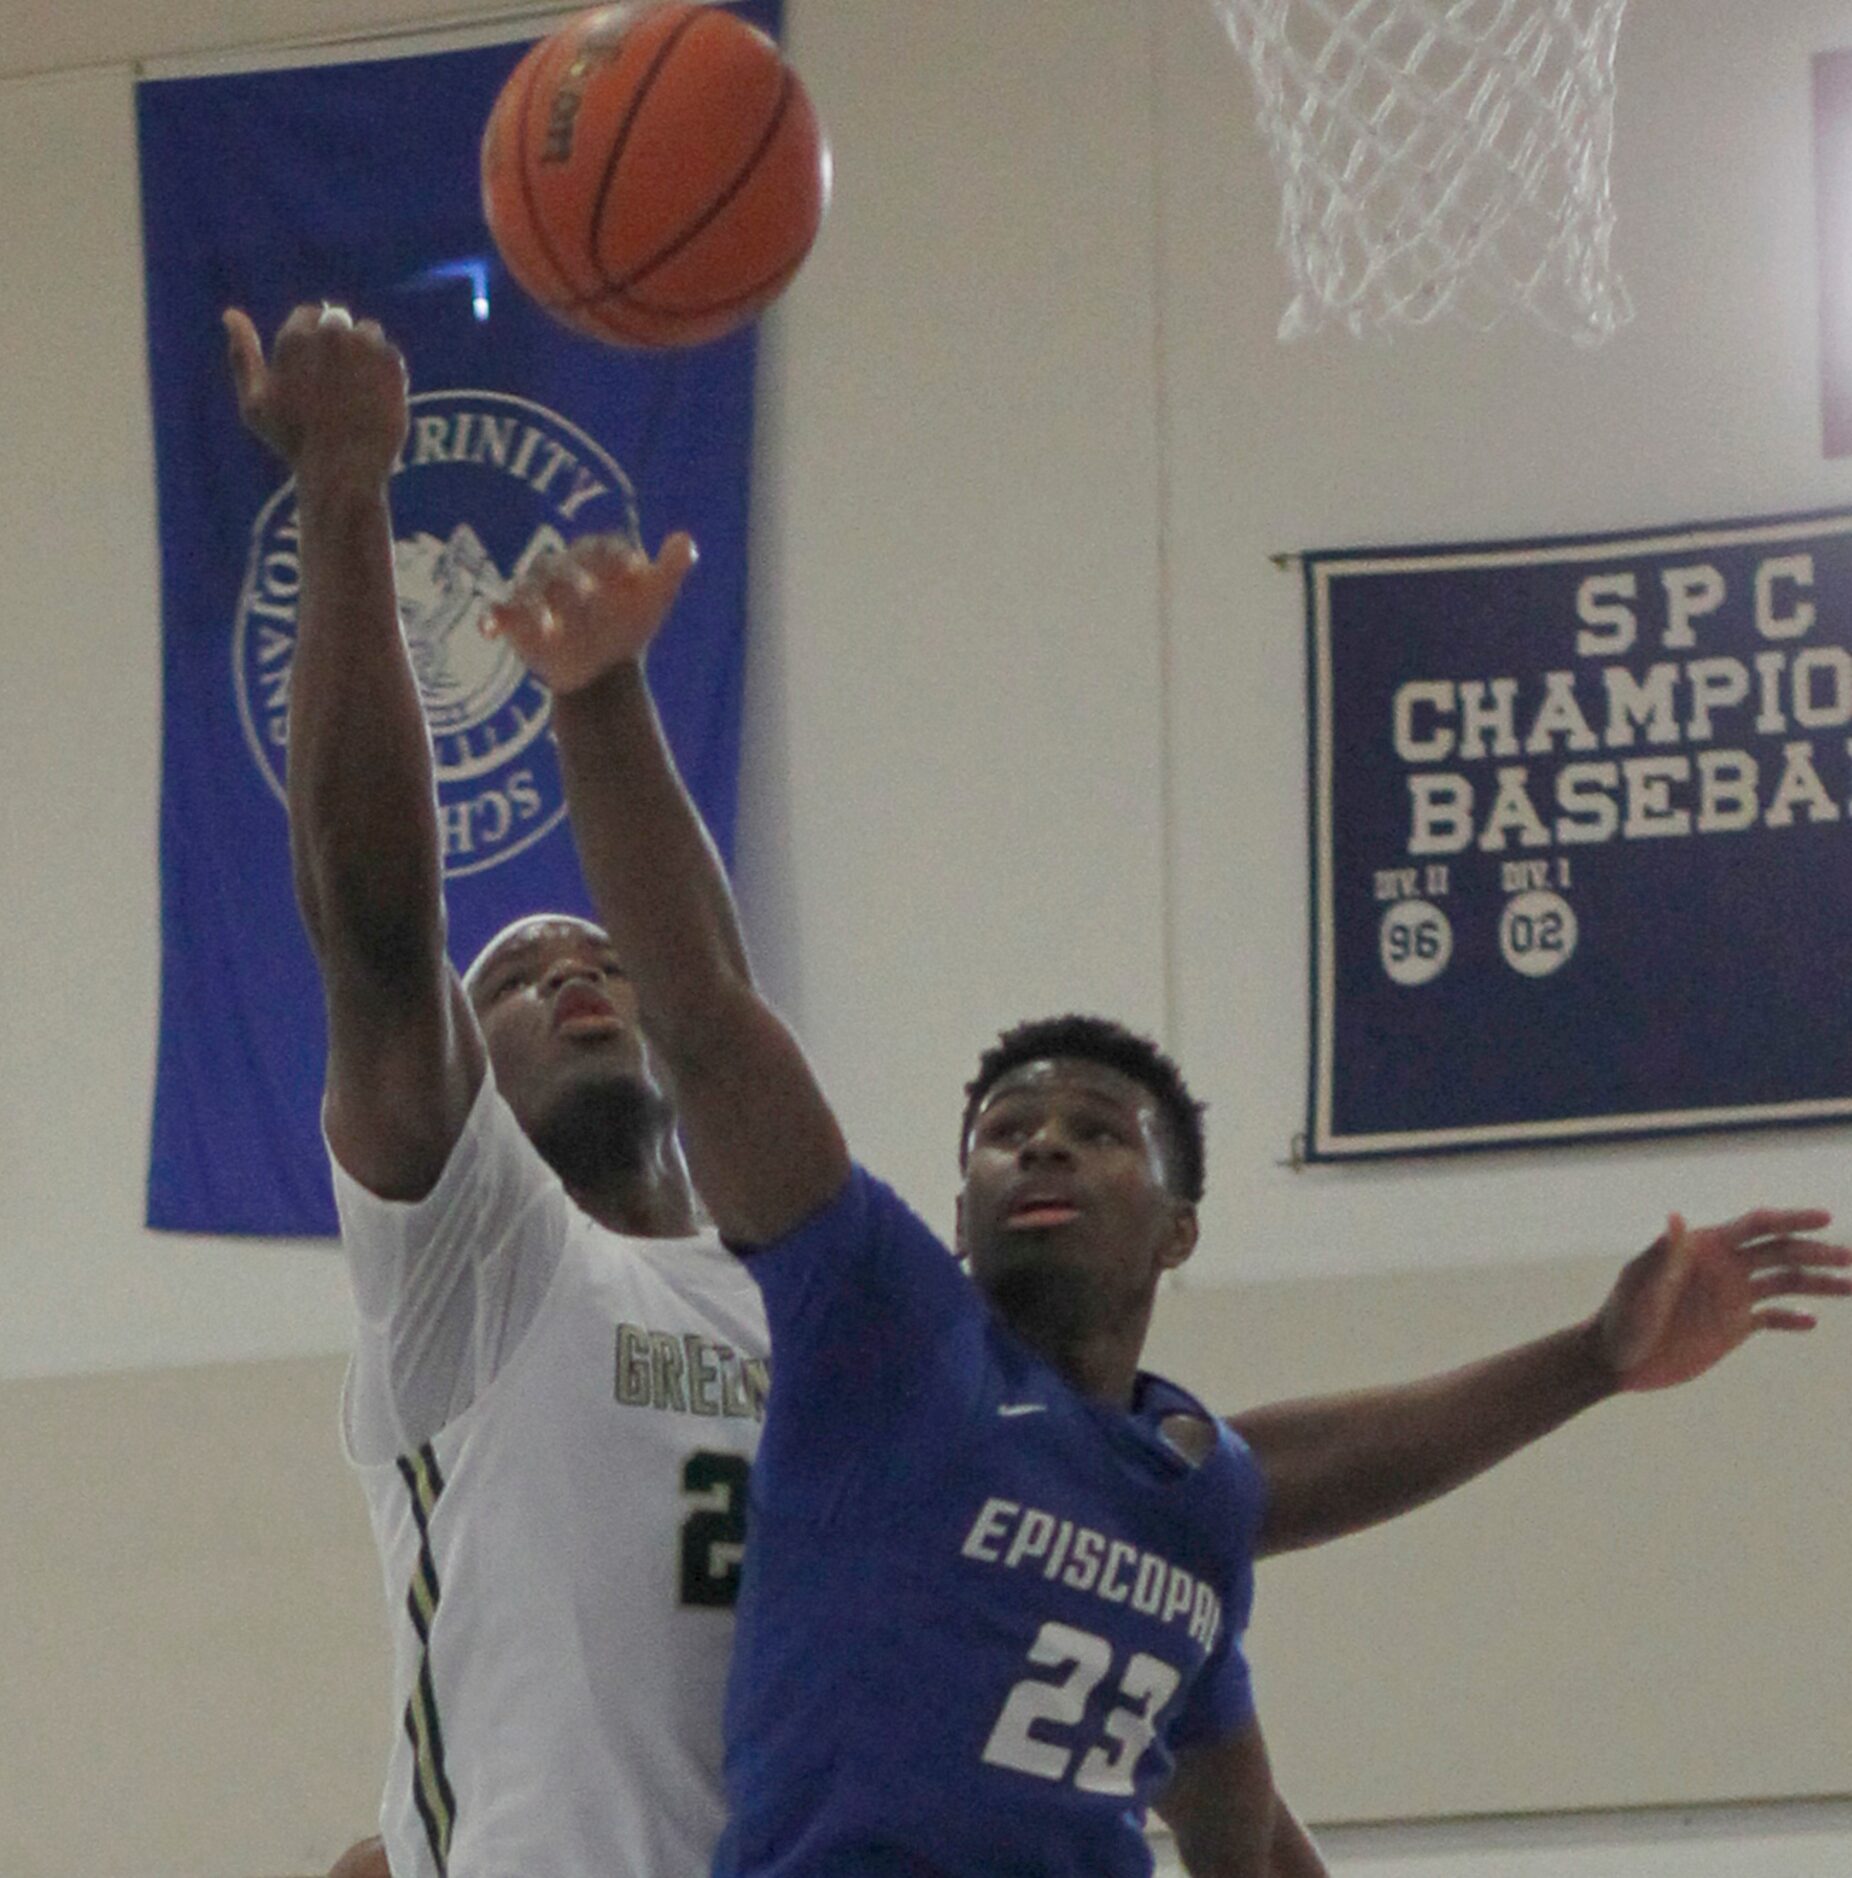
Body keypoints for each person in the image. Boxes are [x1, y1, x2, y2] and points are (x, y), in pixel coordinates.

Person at [229, 306, 1849, 1878]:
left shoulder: (877, 1326)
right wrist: (353, 497)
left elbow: (1204, 1487)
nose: (572, 972)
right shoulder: (486, 1252)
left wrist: (1584, 1356)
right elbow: (399, 942)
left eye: (597, 951)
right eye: (515, 977)